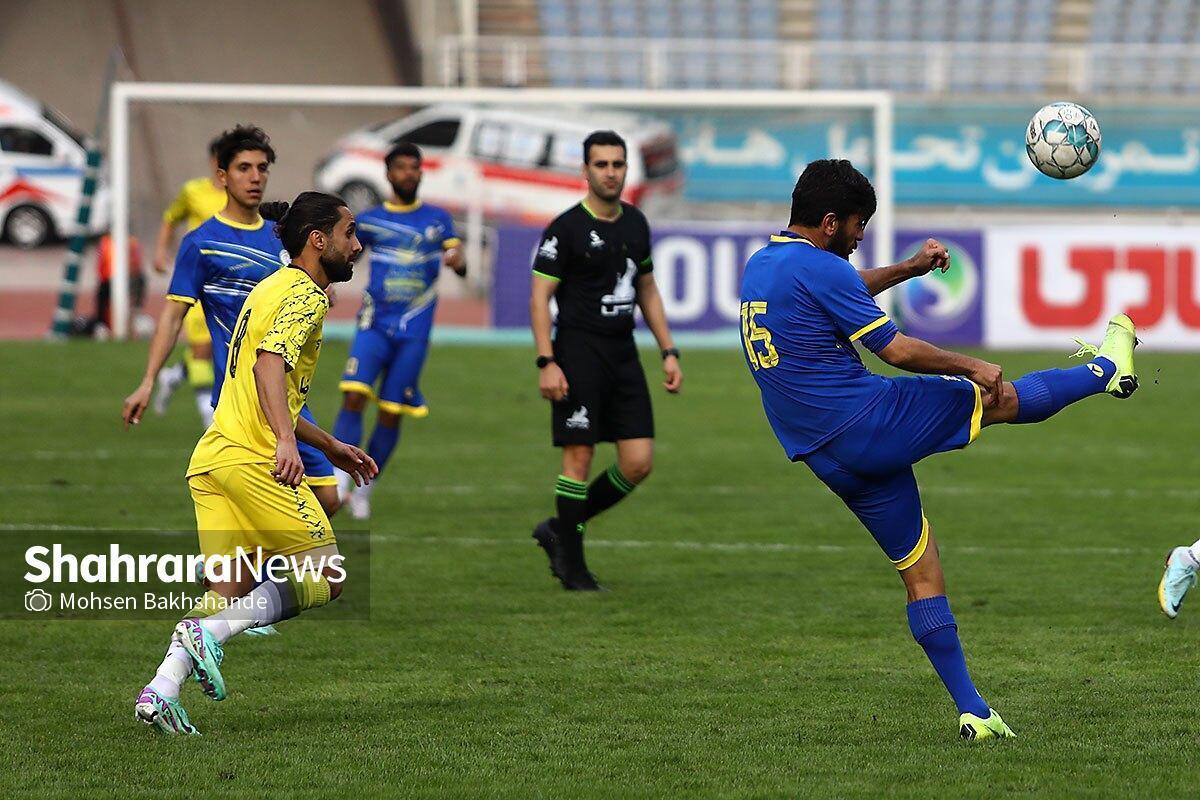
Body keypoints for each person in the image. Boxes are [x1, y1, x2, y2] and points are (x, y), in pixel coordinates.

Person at [739, 159, 1139, 741]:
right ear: (829, 222)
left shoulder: (765, 265)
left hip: (825, 456)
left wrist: (908, 269)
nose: (859, 236)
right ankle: (1109, 368)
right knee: (998, 397)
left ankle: (974, 711)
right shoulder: (819, 269)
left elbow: (839, 291)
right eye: (857, 225)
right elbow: (895, 351)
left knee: (922, 573)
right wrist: (971, 364)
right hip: (869, 422)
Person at [134, 192, 375, 735]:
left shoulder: (271, 286)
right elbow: (270, 366)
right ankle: (211, 637)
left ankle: (161, 689)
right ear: (318, 240)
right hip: (250, 459)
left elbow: (264, 386)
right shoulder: (305, 298)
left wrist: (329, 444)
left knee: (229, 587)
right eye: (348, 232)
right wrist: (287, 444)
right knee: (327, 573)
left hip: (213, 456)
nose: (356, 245)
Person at [121, 125, 343, 517]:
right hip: (238, 394)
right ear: (221, 176)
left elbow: (318, 289)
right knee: (277, 504)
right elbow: (173, 317)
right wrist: (148, 381)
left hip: (287, 393)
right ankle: (237, 573)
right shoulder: (201, 242)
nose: (255, 177)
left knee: (327, 498)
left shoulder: (281, 238)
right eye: (244, 168)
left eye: (262, 168)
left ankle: (234, 573)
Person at [528, 130, 682, 591]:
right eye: (602, 164)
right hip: (577, 353)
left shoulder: (636, 223)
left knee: (638, 462)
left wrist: (668, 351)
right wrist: (545, 361)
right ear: (585, 170)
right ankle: (573, 566)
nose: (611, 172)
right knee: (579, 456)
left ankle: (559, 528)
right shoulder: (565, 228)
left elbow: (648, 289)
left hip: (624, 354)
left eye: (618, 164)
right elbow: (540, 299)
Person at [332, 141, 465, 520]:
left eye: (415, 167)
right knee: (353, 395)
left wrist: (457, 260)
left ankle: (365, 488)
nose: (409, 173)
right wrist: (328, 281)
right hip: (374, 325)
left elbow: (460, 260)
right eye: (402, 167)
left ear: (421, 173)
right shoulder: (370, 220)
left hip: (415, 333)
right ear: (389, 174)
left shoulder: (438, 220)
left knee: (391, 412)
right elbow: (346, 255)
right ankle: (341, 481)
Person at [151, 136, 227, 424]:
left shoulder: (241, 198)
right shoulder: (193, 192)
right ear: (213, 162)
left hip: (228, 284)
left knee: (220, 345)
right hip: (198, 282)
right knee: (202, 348)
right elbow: (171, 217)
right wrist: (160, 252)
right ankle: (209, 417)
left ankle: (173, 376)